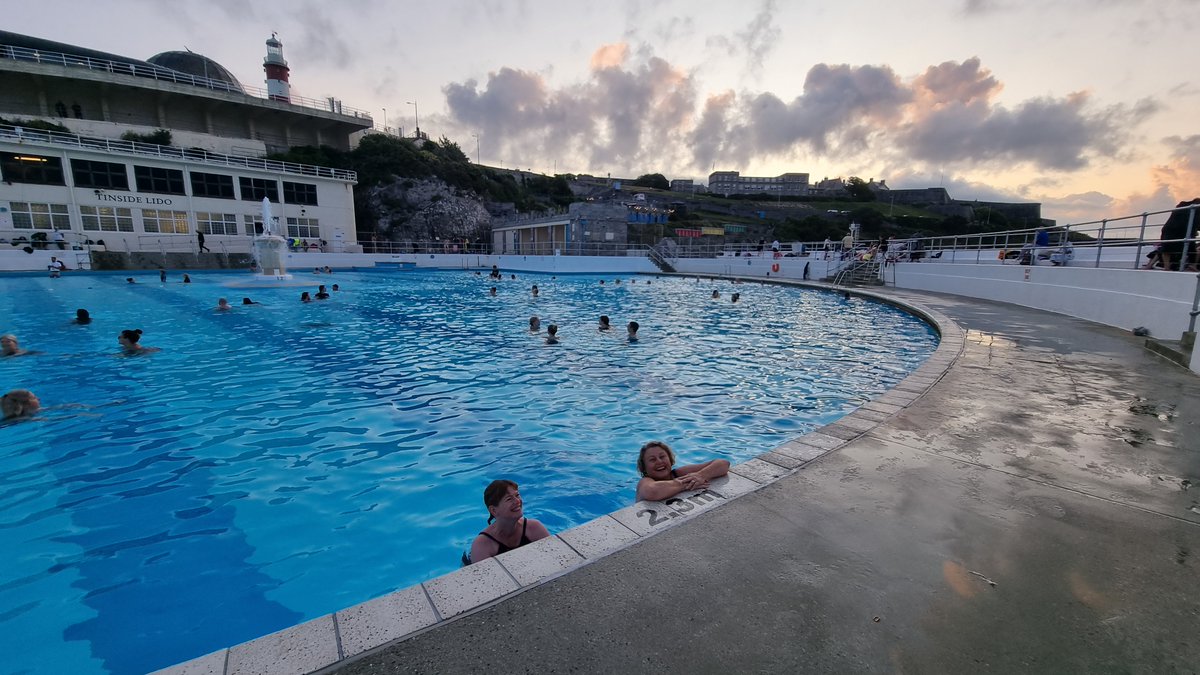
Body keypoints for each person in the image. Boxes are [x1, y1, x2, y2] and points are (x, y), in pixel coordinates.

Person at [467, 480, 551, 564]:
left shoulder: (534, 528)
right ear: (494, 510)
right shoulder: (482, 545)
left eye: (517, 495)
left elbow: (554, 555)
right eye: (509, 499)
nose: (518, 501)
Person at [635, 440, 730, 502]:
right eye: (652, 459)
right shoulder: (645, 481)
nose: (659, 461)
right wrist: (686, 483)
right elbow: (652, 491)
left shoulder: (678, 473)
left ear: (670, 460)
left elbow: (724, 464)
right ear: (644, 468)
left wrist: (701, 475)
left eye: (662, 457)